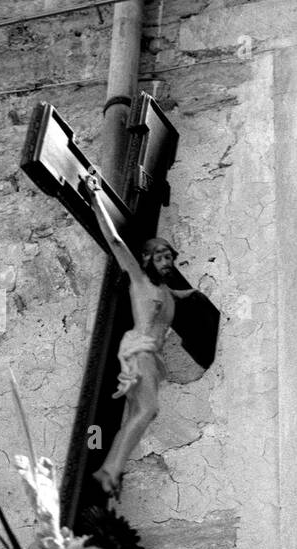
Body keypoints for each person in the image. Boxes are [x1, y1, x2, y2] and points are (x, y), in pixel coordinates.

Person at [81, 173, 210, 498]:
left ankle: (111, 467)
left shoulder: (167, 292)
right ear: (147, 260)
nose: (167, 262)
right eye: (161, 257)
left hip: (151, 357)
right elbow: (116, 243)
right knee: (146, 411)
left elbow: (180, 296)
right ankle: (109, 470)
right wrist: (95, 197)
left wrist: (194, 293)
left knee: (139, 412)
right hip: (139, 352)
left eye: (170, 257)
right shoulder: (141, 283)